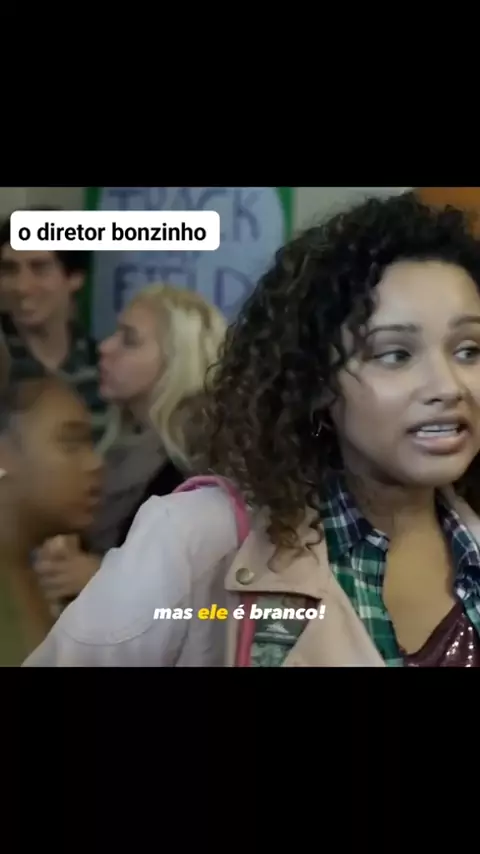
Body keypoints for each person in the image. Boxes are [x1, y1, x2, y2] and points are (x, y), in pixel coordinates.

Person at [23, 192, 480, 667]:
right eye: (396, 354)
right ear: (317, 379)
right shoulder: (199, 539)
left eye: (468, 350)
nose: (448, 386)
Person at [32, 283, 227, 606]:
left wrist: (103, 577)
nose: (105, 347)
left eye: (129, 340)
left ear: (178, 360)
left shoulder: (202, 470)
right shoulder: (118, 449)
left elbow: (212, 604)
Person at [0, 376, 102, 665]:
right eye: (71, 443)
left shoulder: (46, 580)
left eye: (90, 443)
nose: (96, 463)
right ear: (3, 456)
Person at [0, 209, 108, 443]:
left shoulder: (105, 366)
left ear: (75, 277)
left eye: (39, 268)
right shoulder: (4, 361)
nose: (22, 286)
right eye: (9, 269)